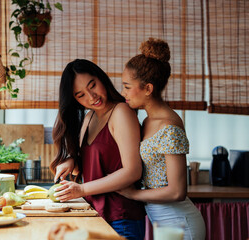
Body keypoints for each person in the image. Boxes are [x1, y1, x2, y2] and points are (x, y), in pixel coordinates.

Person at [119, 38, 206, 240]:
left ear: (148, 89)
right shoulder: (148, 121)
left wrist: (133, 194)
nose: (124, 93)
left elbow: (177, 192)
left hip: (180, 223)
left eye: (127, 86)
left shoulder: (169, 127)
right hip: (163, 222)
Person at [50, 59, 146, 240]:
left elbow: (133, 171)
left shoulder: (121, 112)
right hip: (97, 215)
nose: (91, 97)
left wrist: (81, 190)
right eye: (81, 95)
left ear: (101, 78)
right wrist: (71, 160)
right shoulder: (89, 117)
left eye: (92, 85)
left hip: (121, 218)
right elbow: (91, 165)